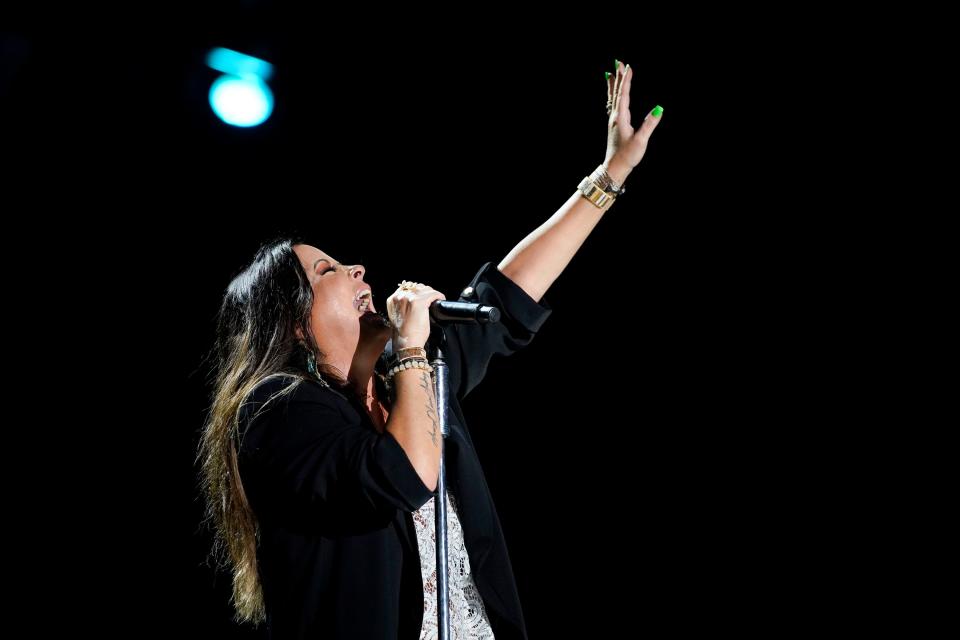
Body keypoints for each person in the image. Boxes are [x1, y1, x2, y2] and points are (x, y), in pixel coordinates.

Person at [199, 59, 662, 639]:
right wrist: (412, 350)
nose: (358, 267)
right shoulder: (278, 409)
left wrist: (608, 176)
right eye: (328, 271)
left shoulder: (409, 381)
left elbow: (507, 296)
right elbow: (401, 476)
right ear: (292, 321)